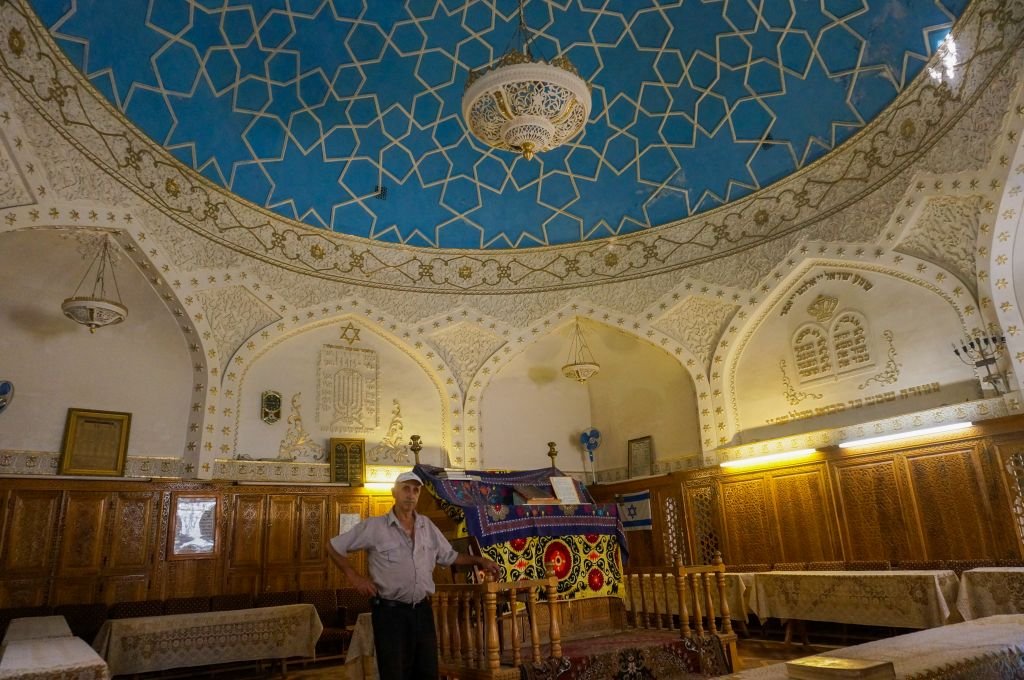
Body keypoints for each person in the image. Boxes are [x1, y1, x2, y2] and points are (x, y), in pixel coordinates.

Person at [328, 470, 501, 680]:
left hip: (421, 611)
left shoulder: (427, 526)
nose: (411, 495)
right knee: (394, 673)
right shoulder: (374, 527)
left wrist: (480, 561)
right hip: (390, 614)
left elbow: (450, 556)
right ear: (394, 492)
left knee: (427, 671)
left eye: (416, 490)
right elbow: (333, 547)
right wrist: (354, 576)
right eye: (406, 489)